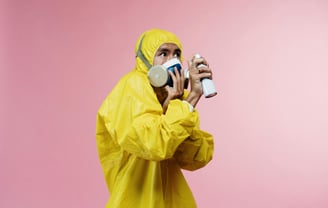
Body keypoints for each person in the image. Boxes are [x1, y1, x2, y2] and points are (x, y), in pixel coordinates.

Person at [96, 28, 214, 208]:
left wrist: (179, 102)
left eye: (177, 54)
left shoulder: (175, 100)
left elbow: (195, 158)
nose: (171, 60)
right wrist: (189, 101)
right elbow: (154, 144)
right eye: (163, 53)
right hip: (136, 201)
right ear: (146, 57)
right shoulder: (133, 85)